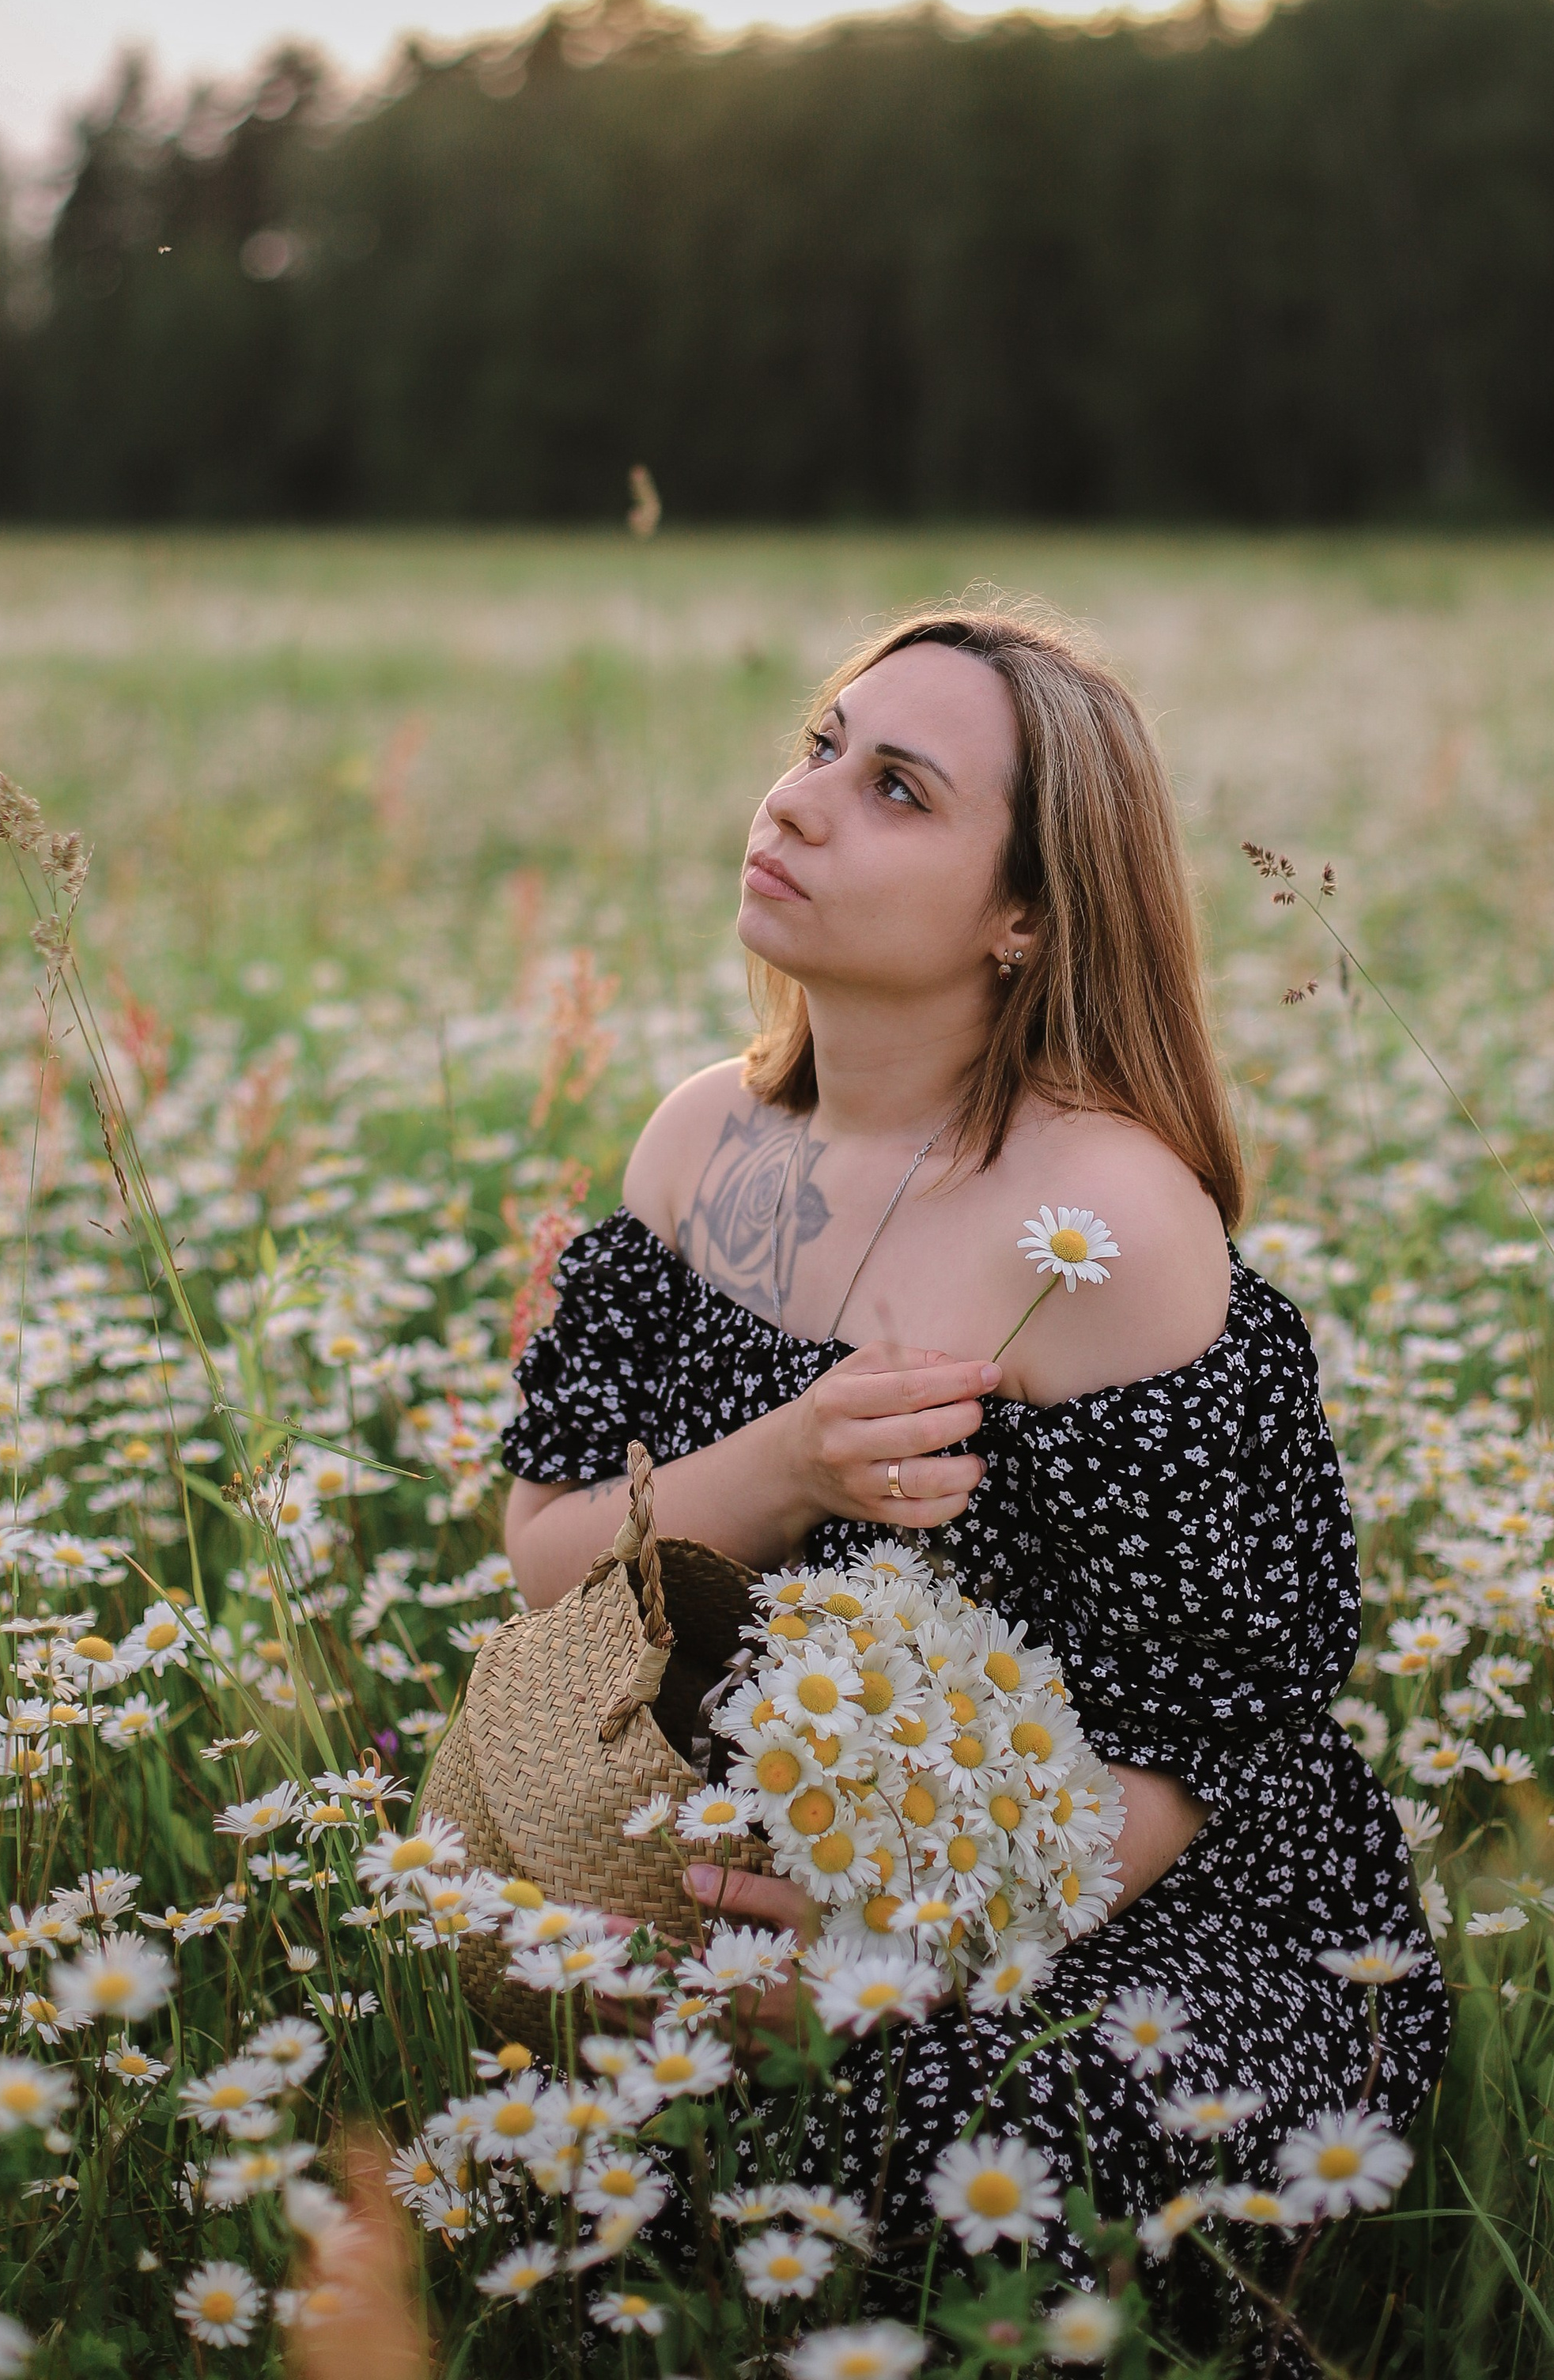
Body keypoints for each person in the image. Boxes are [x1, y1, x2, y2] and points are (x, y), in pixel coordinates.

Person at [500, 601, 1446, 2287]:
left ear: (1021, 916)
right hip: (792, 1858)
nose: (794, 805)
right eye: (816, 750)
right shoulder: (699, 1143)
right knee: (569, 2127)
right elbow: (553, 1557)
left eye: (896, 791)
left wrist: (902, 1955)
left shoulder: (1099, 1224)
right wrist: (787, 1464)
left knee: (937, 2157)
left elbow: (1203, 1741)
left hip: (1135, 1906)